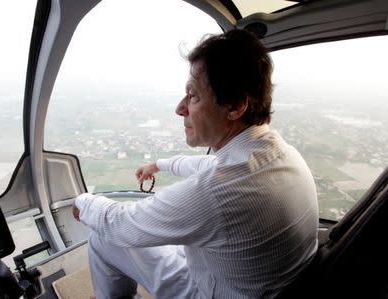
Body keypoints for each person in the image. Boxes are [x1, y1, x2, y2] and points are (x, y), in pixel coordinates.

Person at [72, 29, 318, 298]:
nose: (180, 108)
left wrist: (83, 203)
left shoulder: (218, 192)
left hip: (209, 291)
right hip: (255, 284)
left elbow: (123, 225)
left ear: (235, 106)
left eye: (193, 96)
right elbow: (207, 166)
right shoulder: (282, 155)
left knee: (104, 236)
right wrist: (160, 164)